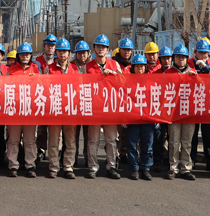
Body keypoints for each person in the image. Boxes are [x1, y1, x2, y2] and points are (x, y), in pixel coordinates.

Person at [84, 34, 122, 180]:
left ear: (108, 50)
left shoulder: (114, 65)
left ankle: (111, 166)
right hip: (94, 109)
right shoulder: (88, 66)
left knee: (111, 140)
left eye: (104, 47)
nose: (101, 49)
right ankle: (93, 167)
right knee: (93, 140)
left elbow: (124, 82)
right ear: (94, 49)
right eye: (98, 46)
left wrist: (113, 74)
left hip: (110, 108)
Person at [5, 42, 43, 177]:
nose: (25, 57)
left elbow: (42, 87)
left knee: (30, 140)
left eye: (27, 54)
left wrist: (36, 80)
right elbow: (4, 87)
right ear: (18, 56)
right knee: (13, 140)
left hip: (30, 111)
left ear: (31, 55)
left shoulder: (36, 69)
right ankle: (13, 165)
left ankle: (30, 165)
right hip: (14, 110)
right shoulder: (11, 70)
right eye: (22, 55)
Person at [163, 45, 197, 181]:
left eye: (183, 57)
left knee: (187, 141)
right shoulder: (167, 73)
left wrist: (195, 79)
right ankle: (173, 167)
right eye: (178, 57)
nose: (181, 59)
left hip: (189, 113)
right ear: (174, 58)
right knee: (173, 141)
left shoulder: (193, 73)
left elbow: (201, 90)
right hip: (173, 112)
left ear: (187, 58)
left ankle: (185, 168)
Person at [45, 38, 78, 179]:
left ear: (69, 53)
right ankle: (53, 167)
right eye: (60, 51)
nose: (62, 54)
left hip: (70, 110)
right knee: (54, 141)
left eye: (65, 51)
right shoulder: (49, 68)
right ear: (56, 52)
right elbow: (44, 87)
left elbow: (79, 88)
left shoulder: (75, 69)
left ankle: (68, 167)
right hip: (55, 109)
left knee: (70, 141)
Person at [124, 54, 155, 181]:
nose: (140, 68)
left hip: (147, 118)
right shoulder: (127, 82)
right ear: (133, 68)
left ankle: (146, 168)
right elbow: (123, 100)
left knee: (148, 145)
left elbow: (156, 99)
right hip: (132, 118)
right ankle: (134, 168)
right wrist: (124, 118)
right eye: (137, 66)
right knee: (132, 144)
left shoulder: (151, 81)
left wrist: (156, 117)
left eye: (142, 66)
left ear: (146, 67)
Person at [190, 39, 210, 172]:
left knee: (208, 135)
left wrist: (206, 67)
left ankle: (209, 160)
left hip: (207, 104)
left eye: (205, 53)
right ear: (195, 52)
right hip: (192, 103)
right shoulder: (189, 63)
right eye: (200, 52)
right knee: (192, 135)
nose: (203, 55)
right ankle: (192, 159)